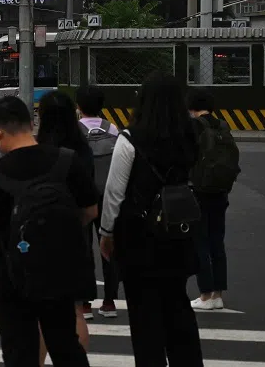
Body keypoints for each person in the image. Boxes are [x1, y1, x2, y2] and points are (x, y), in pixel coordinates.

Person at [0, 96, 97, 367]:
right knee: (65, 343)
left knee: (19, 349)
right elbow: (90, 210)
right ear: (31, 124)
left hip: (12, 273)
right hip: (60, 269)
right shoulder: (67, 161)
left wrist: (9, 239)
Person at [99, 72, 204, 366]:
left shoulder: (130, 138)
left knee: (144, 316)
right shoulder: (190, 136)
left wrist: (106, 233)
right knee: (178, 306)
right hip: (179, 233)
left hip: (138, 238)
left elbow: (114, 193)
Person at [36, 91, 96, 352]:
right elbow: (90, 209)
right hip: (74, 238)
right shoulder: (81, 152)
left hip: (38, 239)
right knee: (75, 312)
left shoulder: (36, 153)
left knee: (39, 316)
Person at [187, 87, 240, 311]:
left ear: (191, 106)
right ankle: (218, 294)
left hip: (199, 190)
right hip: (221, 190)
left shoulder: (195, 126)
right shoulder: (222, 125)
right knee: (217, 241)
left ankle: (205, 294)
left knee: (200, 241)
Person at [75, 85, 121, 319]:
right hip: (107, 196)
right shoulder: (113, 129)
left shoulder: (74, 131)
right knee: (108, 245)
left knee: (83, 249)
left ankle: (84, 304)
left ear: (79, 106)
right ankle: (110, 302)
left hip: (82, 199)